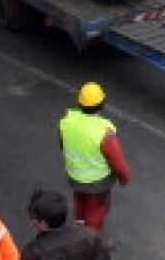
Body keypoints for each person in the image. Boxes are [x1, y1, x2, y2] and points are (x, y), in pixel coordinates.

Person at [59, 82, 130, 234]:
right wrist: (124, 179)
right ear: (102, 104)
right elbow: (119, 164)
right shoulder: (104, 132)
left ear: (80, 103)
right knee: (95, 214)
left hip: (75, 177)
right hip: (98, 184)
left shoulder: (66, 122)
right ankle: (89, 241)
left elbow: (62, 146)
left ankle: (78, 227)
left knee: (80, 203)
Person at [21, 189, 110, 260]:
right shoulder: (91, 236)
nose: (32, 223)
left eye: (34, 220)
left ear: (44, 223)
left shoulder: (33, 252)